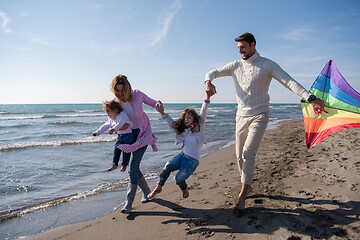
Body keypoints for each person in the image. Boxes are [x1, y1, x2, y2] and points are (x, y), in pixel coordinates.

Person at [204, 32, 324, 215]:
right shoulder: (235, 66)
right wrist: (208, 82)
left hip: (260, 114)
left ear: (253, 45)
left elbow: (289, 82)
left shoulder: (267, 65)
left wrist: (310, 97)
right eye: (238, 48)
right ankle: (247, 182)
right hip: (240, 116)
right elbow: (212, 72)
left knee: (248, 153)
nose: (240, 51)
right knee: (238, 156)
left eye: (243, 47)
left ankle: (243, 193)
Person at [110, 74, 161, 214]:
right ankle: (147, 192)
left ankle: (128, 203)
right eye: (117, 91)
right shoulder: (115, 102)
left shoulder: (137, 95)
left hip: (143, 135)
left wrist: (158, 105)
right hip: (128, 138)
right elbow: (111, 117)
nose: (120, 94)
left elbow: (152, 101)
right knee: (134, 168)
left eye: (122, 90)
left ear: (127, 88)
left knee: (133, 167)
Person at [147, 91, 213, 200]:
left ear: (194, 119)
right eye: (185, 118)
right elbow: (171, 123)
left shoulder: (199, 127)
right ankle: (159, 187)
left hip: (192, 161)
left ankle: (184, 189)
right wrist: (162, 113)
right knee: (166, 168)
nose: (186, 119)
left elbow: (204, 111)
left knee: (179, 179)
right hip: (182, 156)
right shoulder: (182, 130)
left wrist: (207, 97)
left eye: (189, 117)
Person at [92, 100, 133, 172]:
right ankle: (115, 164)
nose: (108, 115)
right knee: (116, 150)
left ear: (116, 110)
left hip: (128, 135)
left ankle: (124, 165)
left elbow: (121, 123)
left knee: (126, 151)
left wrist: (113, 129)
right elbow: (105, 126)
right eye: (107, 113)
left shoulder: (122, 115)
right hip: (120, 136)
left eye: (109, 112)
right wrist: (97, 132)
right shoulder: (111, 119)